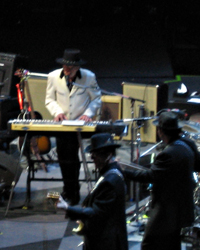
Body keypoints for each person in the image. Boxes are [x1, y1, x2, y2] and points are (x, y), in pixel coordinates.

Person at [123, 111, 200, 250]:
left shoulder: (168, 154)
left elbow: (149, 176)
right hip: (183, 208)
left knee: (149, 244)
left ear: (160, 131)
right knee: (172, 244)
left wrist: (123, 172)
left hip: (166, 211)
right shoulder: (188, 144)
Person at [45, 49, 101, 205]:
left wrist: (88, 113)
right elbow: (49, 100)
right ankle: (68, 189)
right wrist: (57, 112)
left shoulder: (88, 77)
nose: (67, 69)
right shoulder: (53, 76)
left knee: (71, 156)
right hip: (62, 124)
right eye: (65, 66)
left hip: (79, 124)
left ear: (78, 67)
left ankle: (73, 192)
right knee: (63, 157)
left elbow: (96, 99)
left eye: (71, 67)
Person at [57, 133, 128, 250]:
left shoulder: (110, 181)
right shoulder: (113, 171)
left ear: (108, 155)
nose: (92, 158)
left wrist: (67, 208)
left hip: (106, 243)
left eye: (94, 155)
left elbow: (96, 213)